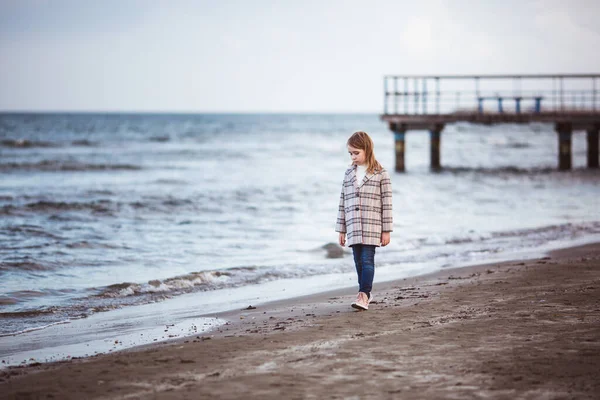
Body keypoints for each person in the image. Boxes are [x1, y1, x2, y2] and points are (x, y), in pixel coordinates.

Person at [335, 131, 393, 310]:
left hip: (372, 225)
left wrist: (386, 230)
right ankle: (366, 292)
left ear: (367, 150)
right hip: (352, 225)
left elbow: (387, 203)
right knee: (358, 261)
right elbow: (342, 202)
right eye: (350, 153)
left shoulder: (381, 173)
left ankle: (363, 295)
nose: (353, 157)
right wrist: (341, 229)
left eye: (356, 153)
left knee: (367, 260)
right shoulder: (348, 173)